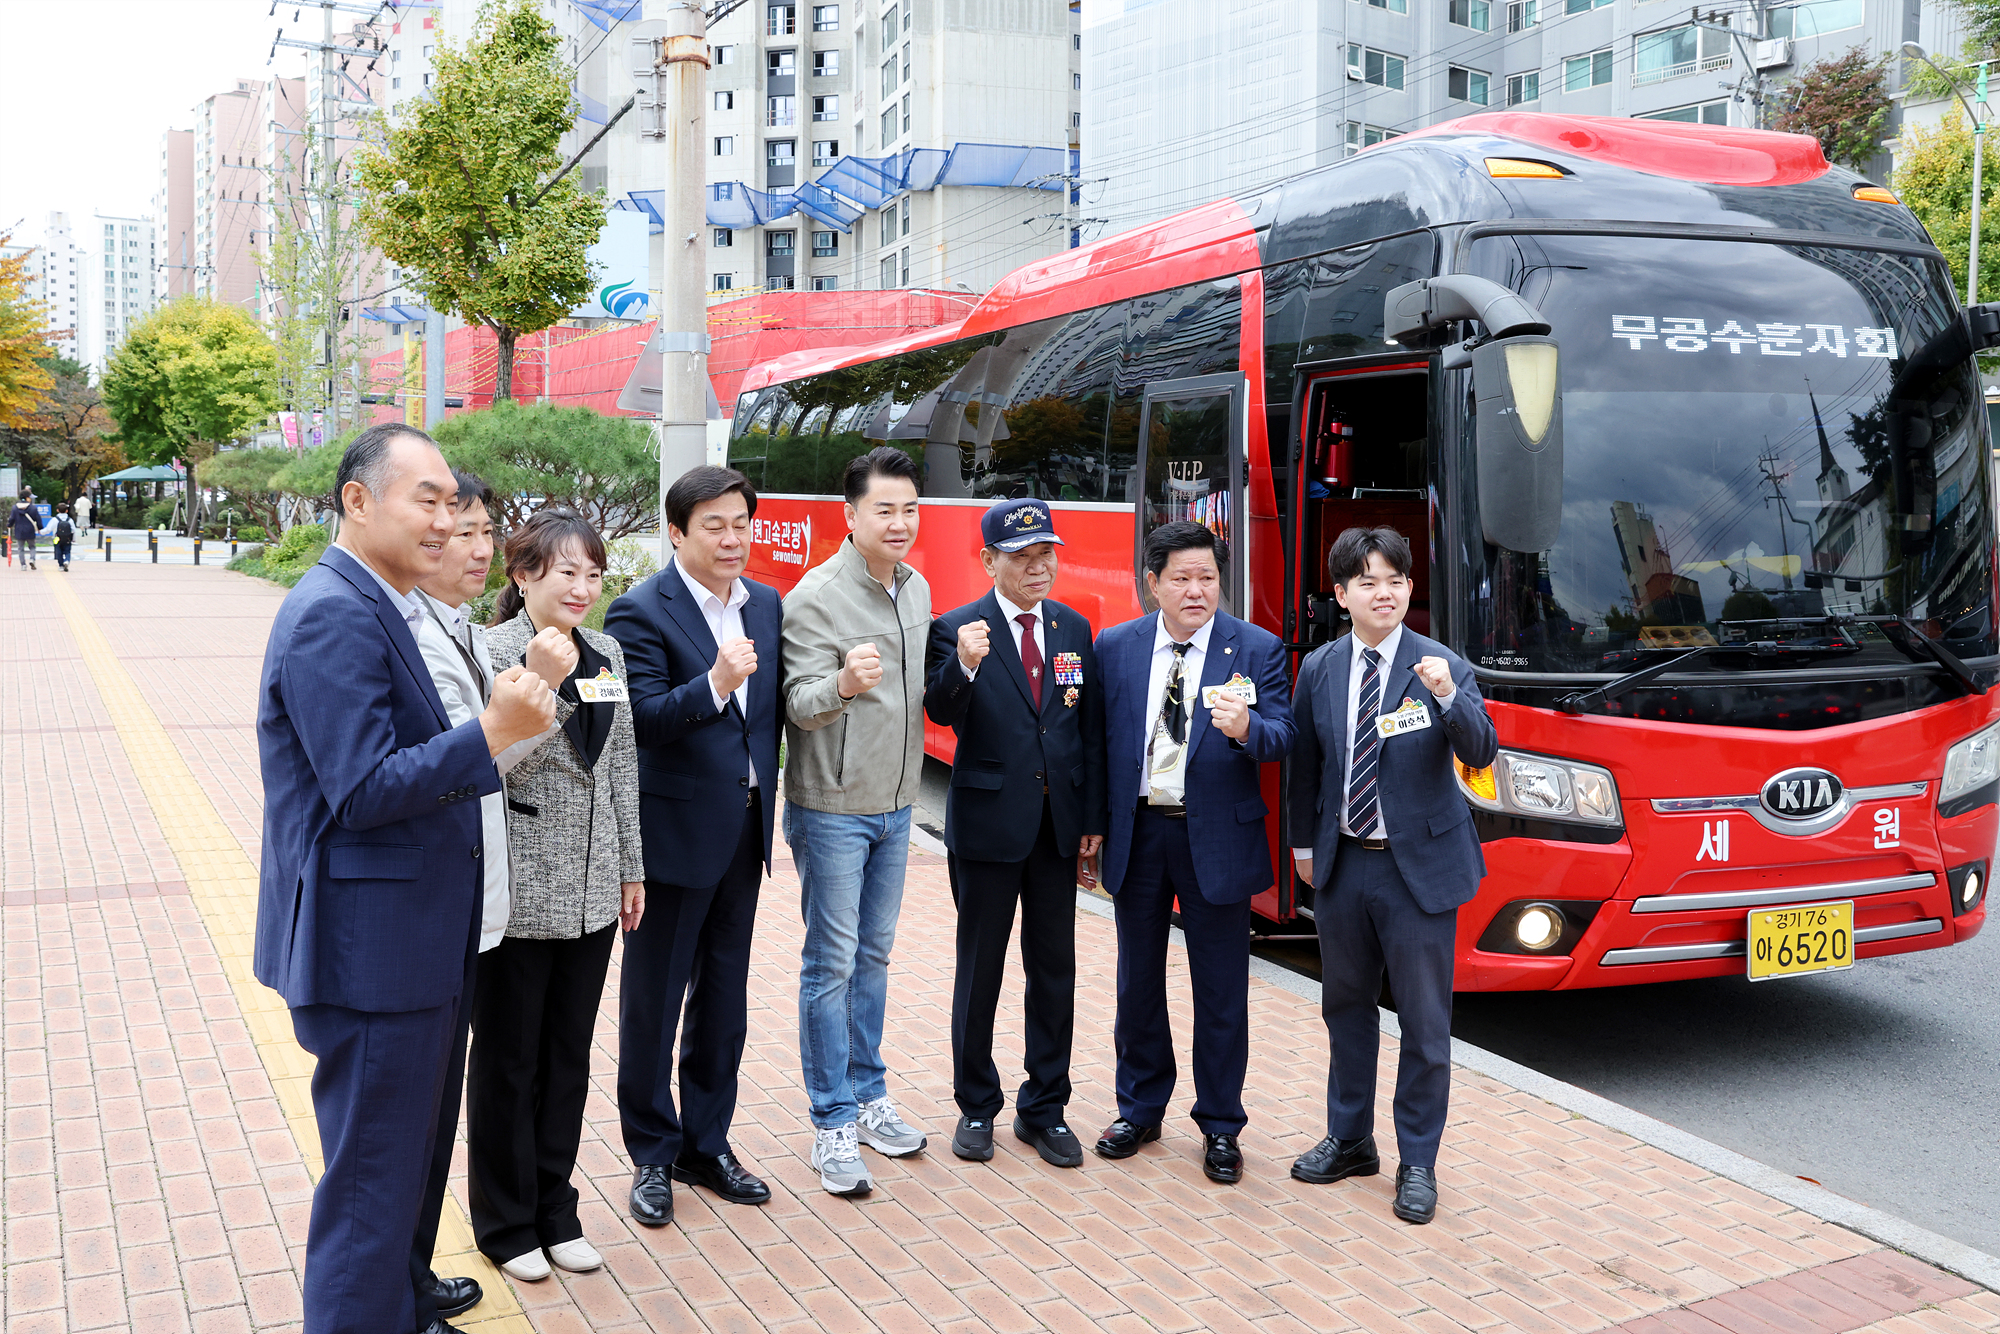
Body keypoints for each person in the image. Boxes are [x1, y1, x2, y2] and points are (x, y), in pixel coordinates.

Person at [253, 424, 556, 1334]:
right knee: (369, 1194)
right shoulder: (333, 613)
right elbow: (361, 789)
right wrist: (493, 734)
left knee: (400, 1174)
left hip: (410, 946)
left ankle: (399, 1308)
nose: (442, 520)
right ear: (357, 500)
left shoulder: (377, 601)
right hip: (373, 959)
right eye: (424, 499)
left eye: (448, 501)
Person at [1286, 526, 1497, 1225]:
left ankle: (1419, 1162)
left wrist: (1447, 697)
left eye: (1396, 580)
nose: (1385, 592)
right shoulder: (1319, 667)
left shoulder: (1440, 663)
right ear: (1341, 594)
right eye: (1369, 581)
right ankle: (1350, 1139)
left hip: (1420, 874)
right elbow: (1305, 766)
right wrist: (1302, 849)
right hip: (1346, 866)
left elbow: (1481, 749)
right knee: (1345, 1009)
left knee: (1424, 1022)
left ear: (1410, 589)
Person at [407, 471, 567, 1321]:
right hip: (430, 916)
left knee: (434, 1118)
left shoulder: (459, 632)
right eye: (455, 529)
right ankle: (400, 1290)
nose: (475, 548)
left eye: (482, 531)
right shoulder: (417, 638)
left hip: (476, 906)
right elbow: (449, 775)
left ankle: (415, 1275)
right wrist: (522, 708)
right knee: (411, 1123)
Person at [469, 509, 644, 1281]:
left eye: (593, 573)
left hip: (592, 888)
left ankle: (554, 1210)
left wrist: (631, 866)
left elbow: (620, 770)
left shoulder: (606, 653)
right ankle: (505, 1224)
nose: (583, 586)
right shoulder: (491, 653)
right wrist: (543, 679)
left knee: (568, 1057)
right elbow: (494, 764)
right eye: (565, 571)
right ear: (523, 573)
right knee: (509, 1060)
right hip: (521, 890)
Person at [1090, 521, 1293, 1184]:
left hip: (1218, 836)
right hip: (1141, 831)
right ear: (1153, 584)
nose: (1197, 590)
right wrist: (1094, 828)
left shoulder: (1256, 648)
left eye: (1208, 577)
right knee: (1137, 980)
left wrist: (1248, 730)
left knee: (1221, 989)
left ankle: (1221, 1124)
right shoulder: (1116, 647)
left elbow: (1283, 735)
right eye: (1182, 577)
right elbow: (1099, 744)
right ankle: (1140, 1108)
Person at [605, 466, 781, 1226]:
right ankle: (651, 1153)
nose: (733, 537)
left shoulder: (764, 604)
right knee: (654, 1001)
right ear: (676, 532)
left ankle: (707, 1144)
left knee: (724, 1001)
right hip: (672, 837)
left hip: (743, 828)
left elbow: (766, 719)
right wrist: (712, 682)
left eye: (741, 522)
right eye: (714, 524)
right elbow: (637, 719)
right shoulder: (640, 609)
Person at [923, 497, 1106, 1167]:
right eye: (1022, 556)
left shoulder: (1073, 627)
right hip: (987, 828)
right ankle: (976, 1104)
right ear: (988, 561)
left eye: (1045, 554)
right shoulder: (957, 627)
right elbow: (940, 712)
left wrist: (1091, 823)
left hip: (1056, 829)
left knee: (1055, 969)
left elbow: (1084, 730)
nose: (1038, 567)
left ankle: (1045, 1106)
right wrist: (963, 665)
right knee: (982, 970)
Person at [781, 446, 933, 1196]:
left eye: (910, 508)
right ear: (851, 515)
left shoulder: (918, 590)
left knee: (873, 961)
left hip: (899, 805)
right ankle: (831, 1120)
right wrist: (841, 684)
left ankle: (869, 1095)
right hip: (832, 810)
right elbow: (796, 708)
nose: (901, 522)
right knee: (830, 966)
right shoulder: (814, 596)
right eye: (886, 509)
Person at [10, 495, 39, 569]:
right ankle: (32, 559)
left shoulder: (15, 508)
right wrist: (40, 528)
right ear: (27, 498)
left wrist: (9, 525)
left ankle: (23, 565)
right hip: (30, 530)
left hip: (19, 530)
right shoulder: (33, 508)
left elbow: (12, 518)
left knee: (20, 548)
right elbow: (38, 519)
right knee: (32, 547)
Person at [51, 504, 74, 572]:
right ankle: (66, 560)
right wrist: (73, 539)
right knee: (67, 551)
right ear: (67, 511)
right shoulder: (70, 520)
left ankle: (61, 565)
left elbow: (49, 528)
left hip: (56, 538)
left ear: (57, 510)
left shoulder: (55, 519)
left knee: (58, 551)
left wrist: (41, 532)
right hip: (68, 538)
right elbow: (73, 530)